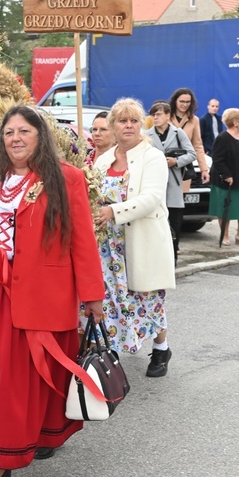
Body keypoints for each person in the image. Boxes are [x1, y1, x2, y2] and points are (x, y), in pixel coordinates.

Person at [0, 105, 105, 476]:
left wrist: (93, 297)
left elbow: (82, 241)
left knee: (42, 375)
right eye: (9, 133)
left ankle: (16, 450)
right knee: (9, 376)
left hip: (46, 291)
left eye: (24, 131)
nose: (16, 139)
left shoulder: (66, 178)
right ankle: (9, 451)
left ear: (40, 136)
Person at [89, 98, 176, 375]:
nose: (128, 126)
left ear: (142, 125)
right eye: (122, 120)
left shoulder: (152, 157)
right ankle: (109, 354)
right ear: (113, 125)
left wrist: (111, 211)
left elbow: (151, 199)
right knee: (109, 300)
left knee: (146, 300)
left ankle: (161, 348)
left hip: (141, 242)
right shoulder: (102, 160)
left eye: (134, 121)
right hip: (106, 246)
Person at [145, 101, 196, 262]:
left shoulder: (178, 133)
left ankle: (172, 260)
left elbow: (191, 153)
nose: (155, 117)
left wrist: (176, 161)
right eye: (153, 114)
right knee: (155, 224)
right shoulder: (147, 134)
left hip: (173, 184)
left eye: (159, 114)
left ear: (168, 116)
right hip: (154, 185)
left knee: (174, 224)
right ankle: (156, 260)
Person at [208, 108, 239, 245]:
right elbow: (217, 159)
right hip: (224, 180)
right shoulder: (222, 138)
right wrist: (226, 175)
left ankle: (238, 235)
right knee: (225, 208)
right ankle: (224, 236)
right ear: (235, 122)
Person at [169, 88, 209, 186]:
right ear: (175, 101)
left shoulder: (194, 120)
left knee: (182, 198)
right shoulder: (166, 117)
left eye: (188, 102)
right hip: (167, 163)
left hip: (184, 165)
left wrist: (204, 169)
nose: (185, 104)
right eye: (182, 101)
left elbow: (198, 146)